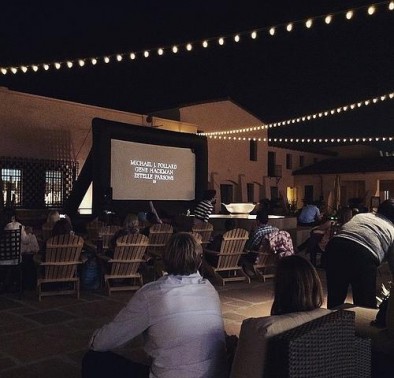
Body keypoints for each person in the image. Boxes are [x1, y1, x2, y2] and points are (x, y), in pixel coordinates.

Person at [82, 232, 228, 378]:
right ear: (200, 261)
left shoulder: (152, 294)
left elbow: (106, 340)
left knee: (93, 360)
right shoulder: (210, 290)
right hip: (214, 374)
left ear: (165, 260)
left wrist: (95, 341)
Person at [325, 198, 394, 309]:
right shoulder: (392, 229)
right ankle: (361, 326)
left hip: (335, 246)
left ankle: (330, 323)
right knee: (364, 302)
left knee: (335, 297)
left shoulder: (361, 216)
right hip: (363, 254)